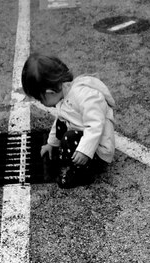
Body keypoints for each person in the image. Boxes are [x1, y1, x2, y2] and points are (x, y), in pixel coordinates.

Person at [21, 53, 115, 189]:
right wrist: (51, 144)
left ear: (49, 92)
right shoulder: (63, 96)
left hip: (98, 151)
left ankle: (82, 174)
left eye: (41, 99)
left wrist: (85, 151)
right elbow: (59, 121)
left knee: (69, 138)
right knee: (61, 122)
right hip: (85, 138)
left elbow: (95, 125)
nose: (41, 103)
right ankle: (65, 154)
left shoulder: (85, 96)